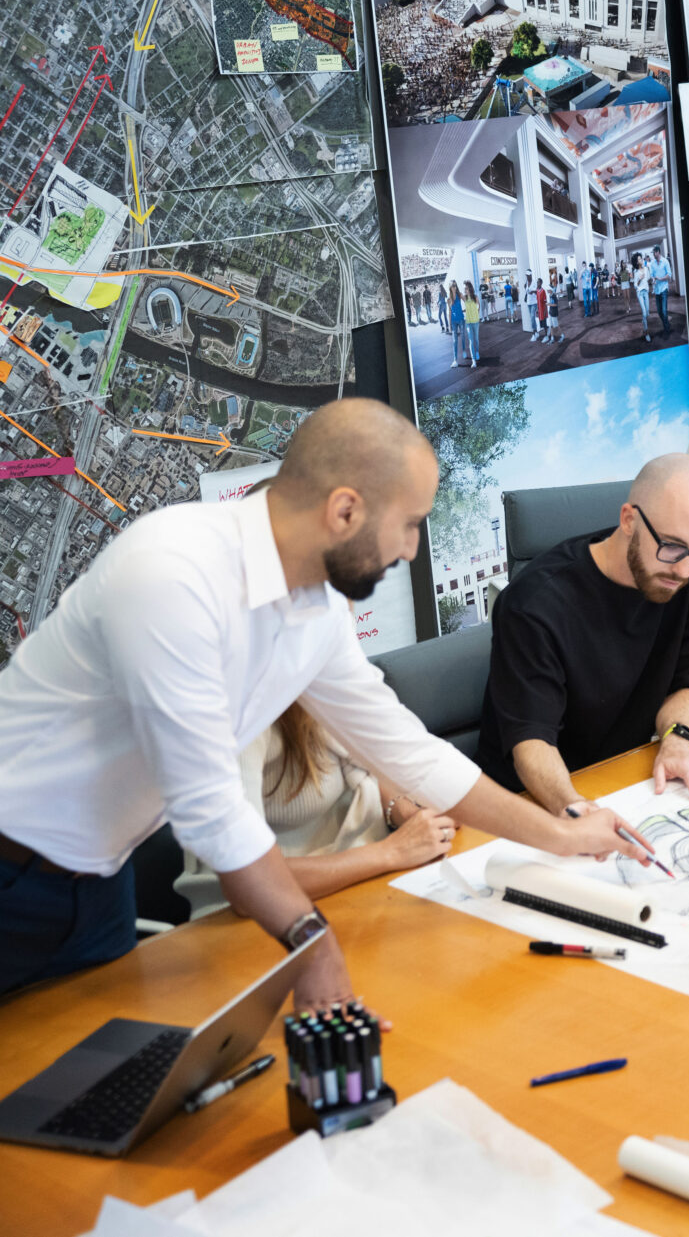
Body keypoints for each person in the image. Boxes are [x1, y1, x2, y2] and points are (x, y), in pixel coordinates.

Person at [0, 399, 646, 1003]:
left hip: (96, 879)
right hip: (13, 871)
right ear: (344, 511)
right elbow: (211, 810)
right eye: (411, 523)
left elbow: (408, 749)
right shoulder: (172, 573)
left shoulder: (314, 602)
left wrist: (562, 836)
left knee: (95, 1096)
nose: (412, 548)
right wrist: (311, 942)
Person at [477, 455, 689, 811]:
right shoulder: (534, 606)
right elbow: (532, 743)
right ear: (629, 519)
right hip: (525, 799)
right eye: (672, 547)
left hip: (620, 778)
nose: (683, 570)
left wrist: (677, 741)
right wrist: (577, 809)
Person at [175, 700, 460, 918]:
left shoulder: (318, 685)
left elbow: (368, 761)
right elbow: (253, 884)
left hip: (347, 892)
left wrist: (405, 811)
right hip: (257, 920)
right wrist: (393, 851)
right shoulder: (236, 719)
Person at [648, 247, 674, 337]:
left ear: (658, 252)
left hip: (664, 289)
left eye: (654, 253)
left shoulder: (665, 261)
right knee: (659, 311)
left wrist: (661, 278)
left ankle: (666, 330)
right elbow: (652, 275)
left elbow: (669, 275)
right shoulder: (652, 263)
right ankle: (667, 325)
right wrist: (653, 279)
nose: (653, 255)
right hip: (657, 290)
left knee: (664, 310)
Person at [462, 280, 482, 366]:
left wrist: (477, 312)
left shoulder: (475, 297)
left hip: (476, 321)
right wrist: (465, 310)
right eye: (464, 288)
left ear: (469, 288)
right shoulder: (464, 298)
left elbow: (479, 305)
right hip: (468, 322)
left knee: (476, 339)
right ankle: (473, 360)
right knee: (471, 341)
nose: (465, 290)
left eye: (466, 288)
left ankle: (477, 352)